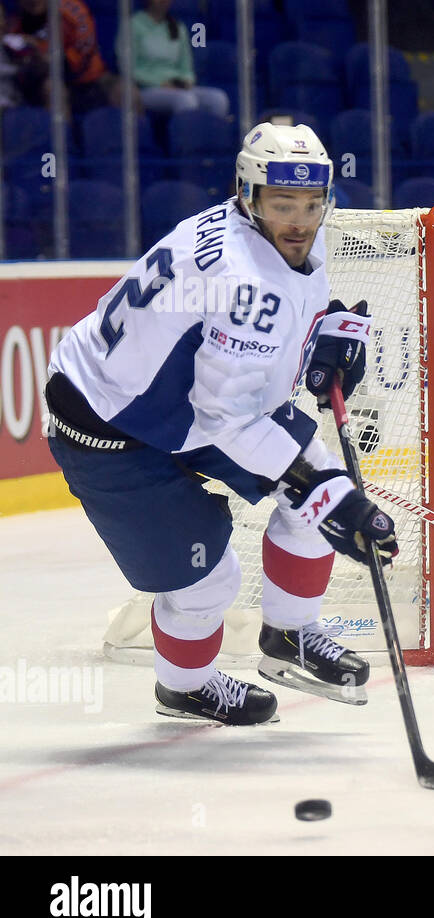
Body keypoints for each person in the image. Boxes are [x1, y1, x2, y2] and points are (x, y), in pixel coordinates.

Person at [45, 122, 398, 725]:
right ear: (250, 194)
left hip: (181, 397)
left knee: (320, 481)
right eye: (284, 205)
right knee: (210, 580)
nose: (300, 220)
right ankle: (186, 686)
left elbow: (252, 338)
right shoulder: (244, 283)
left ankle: (291, 634)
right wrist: (331, 498)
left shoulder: (256, 230)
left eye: (311, 205)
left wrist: (324, 332)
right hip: (110, 429)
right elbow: (231, 417)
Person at [118, 0, 229, 117]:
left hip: (177, 86)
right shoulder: (133, 25)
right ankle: (186, 135)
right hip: (146, 88)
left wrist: (186, 81)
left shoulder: (178, 27)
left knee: (218, 98)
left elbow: (186, 67)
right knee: (185, 99)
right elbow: (128, 68)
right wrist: (160, 83)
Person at [9, 0, 122, 111]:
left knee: (126, 92)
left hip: (91, 77)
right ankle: (63, 129)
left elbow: (84, 53)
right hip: (49, 82)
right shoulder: (14, 23)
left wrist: (54, 58)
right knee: (53, 90)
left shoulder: (73, 9)